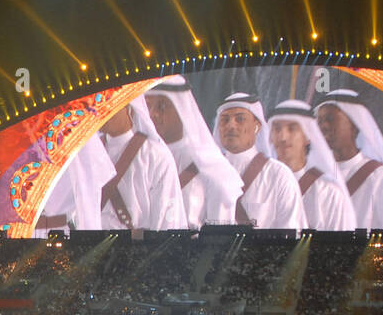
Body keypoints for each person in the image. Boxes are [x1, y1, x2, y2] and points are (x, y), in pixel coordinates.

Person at [143, 77, 245, 228]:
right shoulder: (140, 158)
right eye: (148, 106)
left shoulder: (210, 165)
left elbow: (220, 236)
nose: (153, 114)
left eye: (162, 107)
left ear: (181, 109)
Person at [314, 88, 383, 234]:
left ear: (354, 125)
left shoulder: (380, 176)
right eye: (319, 121)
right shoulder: (316, 176)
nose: (323, 126)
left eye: (330, 119)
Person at [212, 92, 307, 231]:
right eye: (225, 120)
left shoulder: (279, 175)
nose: (231, 125)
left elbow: (292, 232)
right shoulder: (209, 173)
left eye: (240, 119)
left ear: (257, 126)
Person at [95, 100, 187, 232]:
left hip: (139, 248)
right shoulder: (89, 155)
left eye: (109, 106)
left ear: (128, 107)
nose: (101, 112)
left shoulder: (155, 155)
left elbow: (166, 222)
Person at [265, 99, 355, 231]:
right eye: (277, 129)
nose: (283, 137)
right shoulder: (262, 184)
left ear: (308, 136)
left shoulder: (329, 193)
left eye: (292, 129)